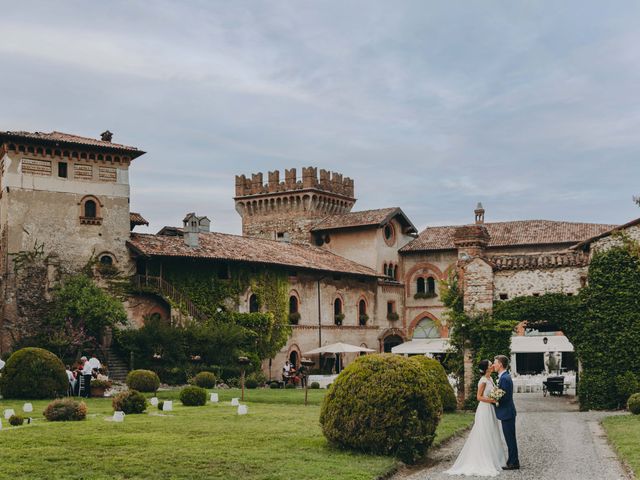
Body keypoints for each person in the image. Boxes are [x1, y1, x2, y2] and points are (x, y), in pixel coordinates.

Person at [445, 360, 507, 477]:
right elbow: (478, 397)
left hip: (491, 409)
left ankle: (495, 459)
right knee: (484, 433)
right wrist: (492, 400)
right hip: (484, 409)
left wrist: (496, 396)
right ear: (486, 368)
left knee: (492, 432)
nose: (492, 365)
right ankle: (483, 460)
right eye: (490, 365)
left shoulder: (490, 379)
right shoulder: (483, 380)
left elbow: (491, 392)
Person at [494, 355, 520, 470]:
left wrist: (493, 399)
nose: (494, 365)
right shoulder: (504, 376)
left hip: (507, 413)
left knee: (510, 438)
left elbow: (503, 397)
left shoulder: (504, 378)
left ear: (500, 364)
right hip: (508, 412)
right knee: (510, 438)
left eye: (495, 363)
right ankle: (512, 461)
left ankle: (514, 463)